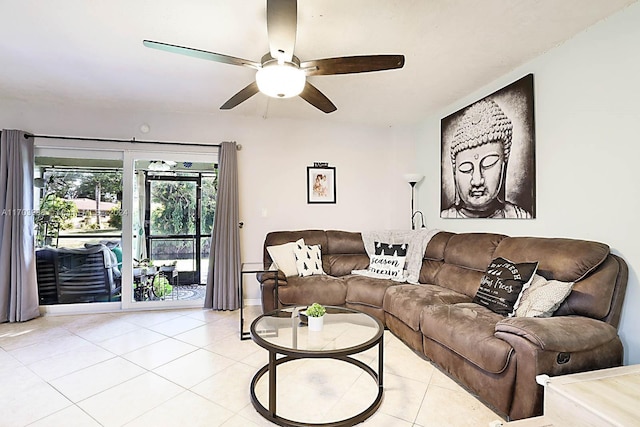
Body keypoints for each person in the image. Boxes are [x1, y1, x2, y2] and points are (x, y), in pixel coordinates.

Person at [441, 98, 531, 219]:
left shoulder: (519, 216)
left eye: (489, 163)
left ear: (504, 166)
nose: (477, 181)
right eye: (466, 168)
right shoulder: (446, 216)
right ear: (454, 173)